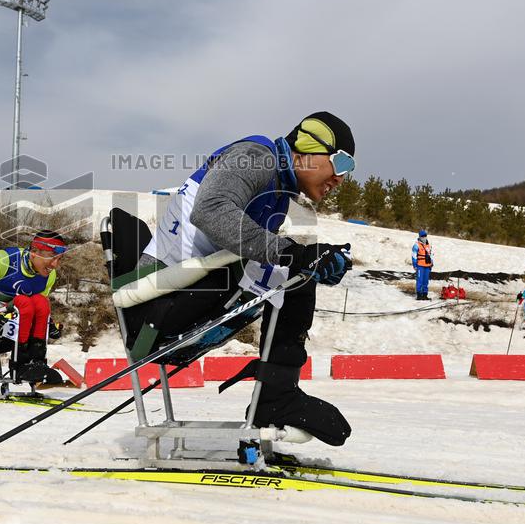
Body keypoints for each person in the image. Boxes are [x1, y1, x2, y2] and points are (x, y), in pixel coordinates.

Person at [125, 112, 356, 447]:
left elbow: (263, 254)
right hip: (152, 314)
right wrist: (293, 255)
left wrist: (316, 264)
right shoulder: (256, 156)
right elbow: (210, 210)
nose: (341, 178)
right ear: (307, 147)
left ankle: (276, 394)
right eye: (342, 163)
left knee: (297, 276)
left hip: (180, 300)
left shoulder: (277, 192)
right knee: (292, 272)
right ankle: (276, 396)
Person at [0, 230, 67, 384]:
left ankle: (36, 363)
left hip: (13, 324)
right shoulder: (3, 260)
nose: (55, 265)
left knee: (40, 302)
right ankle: (20, 366)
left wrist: (49, 324)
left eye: (59, 259)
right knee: (24, 302)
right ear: (34, 252)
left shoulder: (49, 275)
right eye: (51, 258)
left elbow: (38, 307)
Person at [411, 230, 433, 300]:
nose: (424, 237)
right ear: (419, 237)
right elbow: (414, 256)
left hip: (427, 266)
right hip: (420, 266)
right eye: (422, 236)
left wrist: (431, 263)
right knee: (420, 281)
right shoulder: (416, 245)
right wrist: (415, 265)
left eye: (425, 236)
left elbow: (431, 255)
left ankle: (425, 295)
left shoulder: (429, 245)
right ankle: (419, 295)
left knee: (425, 281)